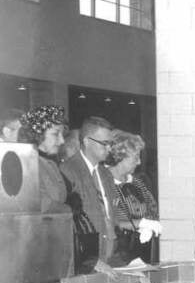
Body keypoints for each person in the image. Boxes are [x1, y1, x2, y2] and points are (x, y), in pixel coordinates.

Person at [60, 116, 120, 272]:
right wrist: (90, 260)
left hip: (108, 258)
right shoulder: (68, 171)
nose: (109, 149)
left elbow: (111, 216)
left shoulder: (106, 174)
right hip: (85, 263)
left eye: (110, 144)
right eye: (104, 144)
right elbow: (67, 224)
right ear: (87, 141)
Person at [106, 130, 160, 264]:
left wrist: (149, 225)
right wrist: (139, 224)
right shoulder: (103, 183)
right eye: (135, 157)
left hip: (141, 254)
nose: (139, 162)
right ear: (120, 156)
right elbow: (106, 222)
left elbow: (153, 210)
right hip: (113, 255)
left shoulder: (138, 183)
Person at [16, 105, 70, 215]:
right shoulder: (26, 165)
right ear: (37, 134)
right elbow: (41, 204)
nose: (62, 141)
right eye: (56, 134)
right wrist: (69, 209)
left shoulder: (51, 163)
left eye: (62, 135)